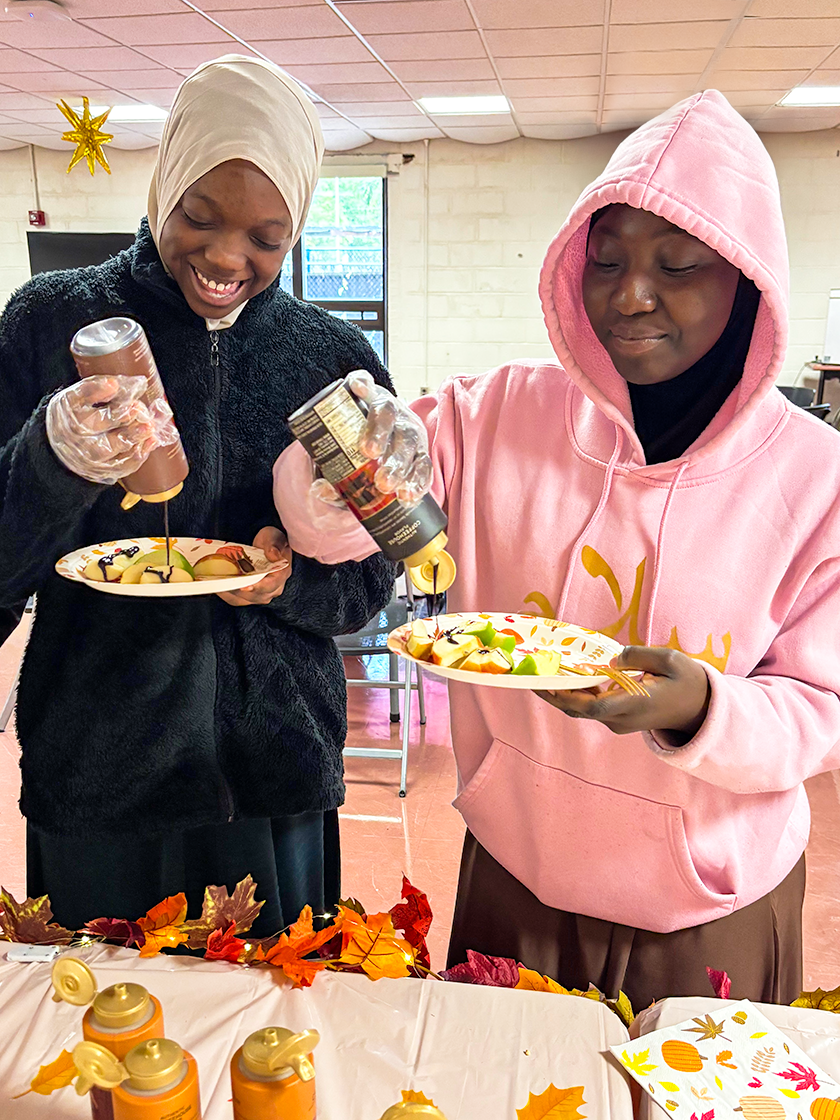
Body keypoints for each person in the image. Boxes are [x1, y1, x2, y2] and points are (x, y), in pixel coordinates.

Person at [273, 90, 840, 1006]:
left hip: (706, 899)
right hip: (519, 863)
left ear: (746, 279)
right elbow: (333, 525)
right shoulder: (496, 412)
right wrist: (333, 466)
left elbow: (823, 708)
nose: (630, 295)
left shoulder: (818, 480)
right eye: (604, 260)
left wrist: (702, 709)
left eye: (679, 264)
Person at [0, 55, 395, 934]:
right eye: (198, 217)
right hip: (100, 780)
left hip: (273, 781)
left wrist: (292, 582)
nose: (225, 256)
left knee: (269, 1044)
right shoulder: (48, 323)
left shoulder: (333, 360)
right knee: (95, 1047)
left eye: (266, 237)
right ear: (162, 187)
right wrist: (50, 462)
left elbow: (372, 586)